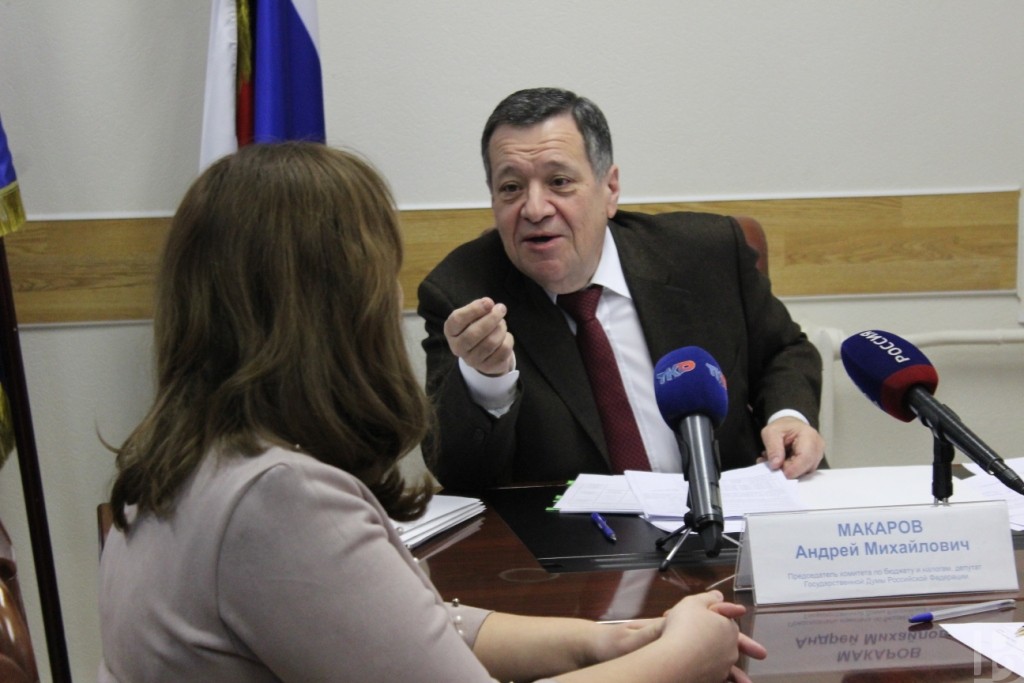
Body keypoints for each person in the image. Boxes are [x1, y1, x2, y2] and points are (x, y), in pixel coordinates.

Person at [98, 142, 765, 682]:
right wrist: (679, 660)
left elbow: (409, 629)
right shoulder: (277, 500)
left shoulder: (199, 459)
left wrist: (608, 641)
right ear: (333, 309)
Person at [418, 87, 825, 493]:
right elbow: (459, 476)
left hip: (731, 512)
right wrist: (486, 380)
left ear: (610, 189)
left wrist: (788, 417)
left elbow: (784, 351)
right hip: (574, 530)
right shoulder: (463, 294)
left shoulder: (705, 253)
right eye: (511, 187)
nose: (535, 209)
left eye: (559, 182)